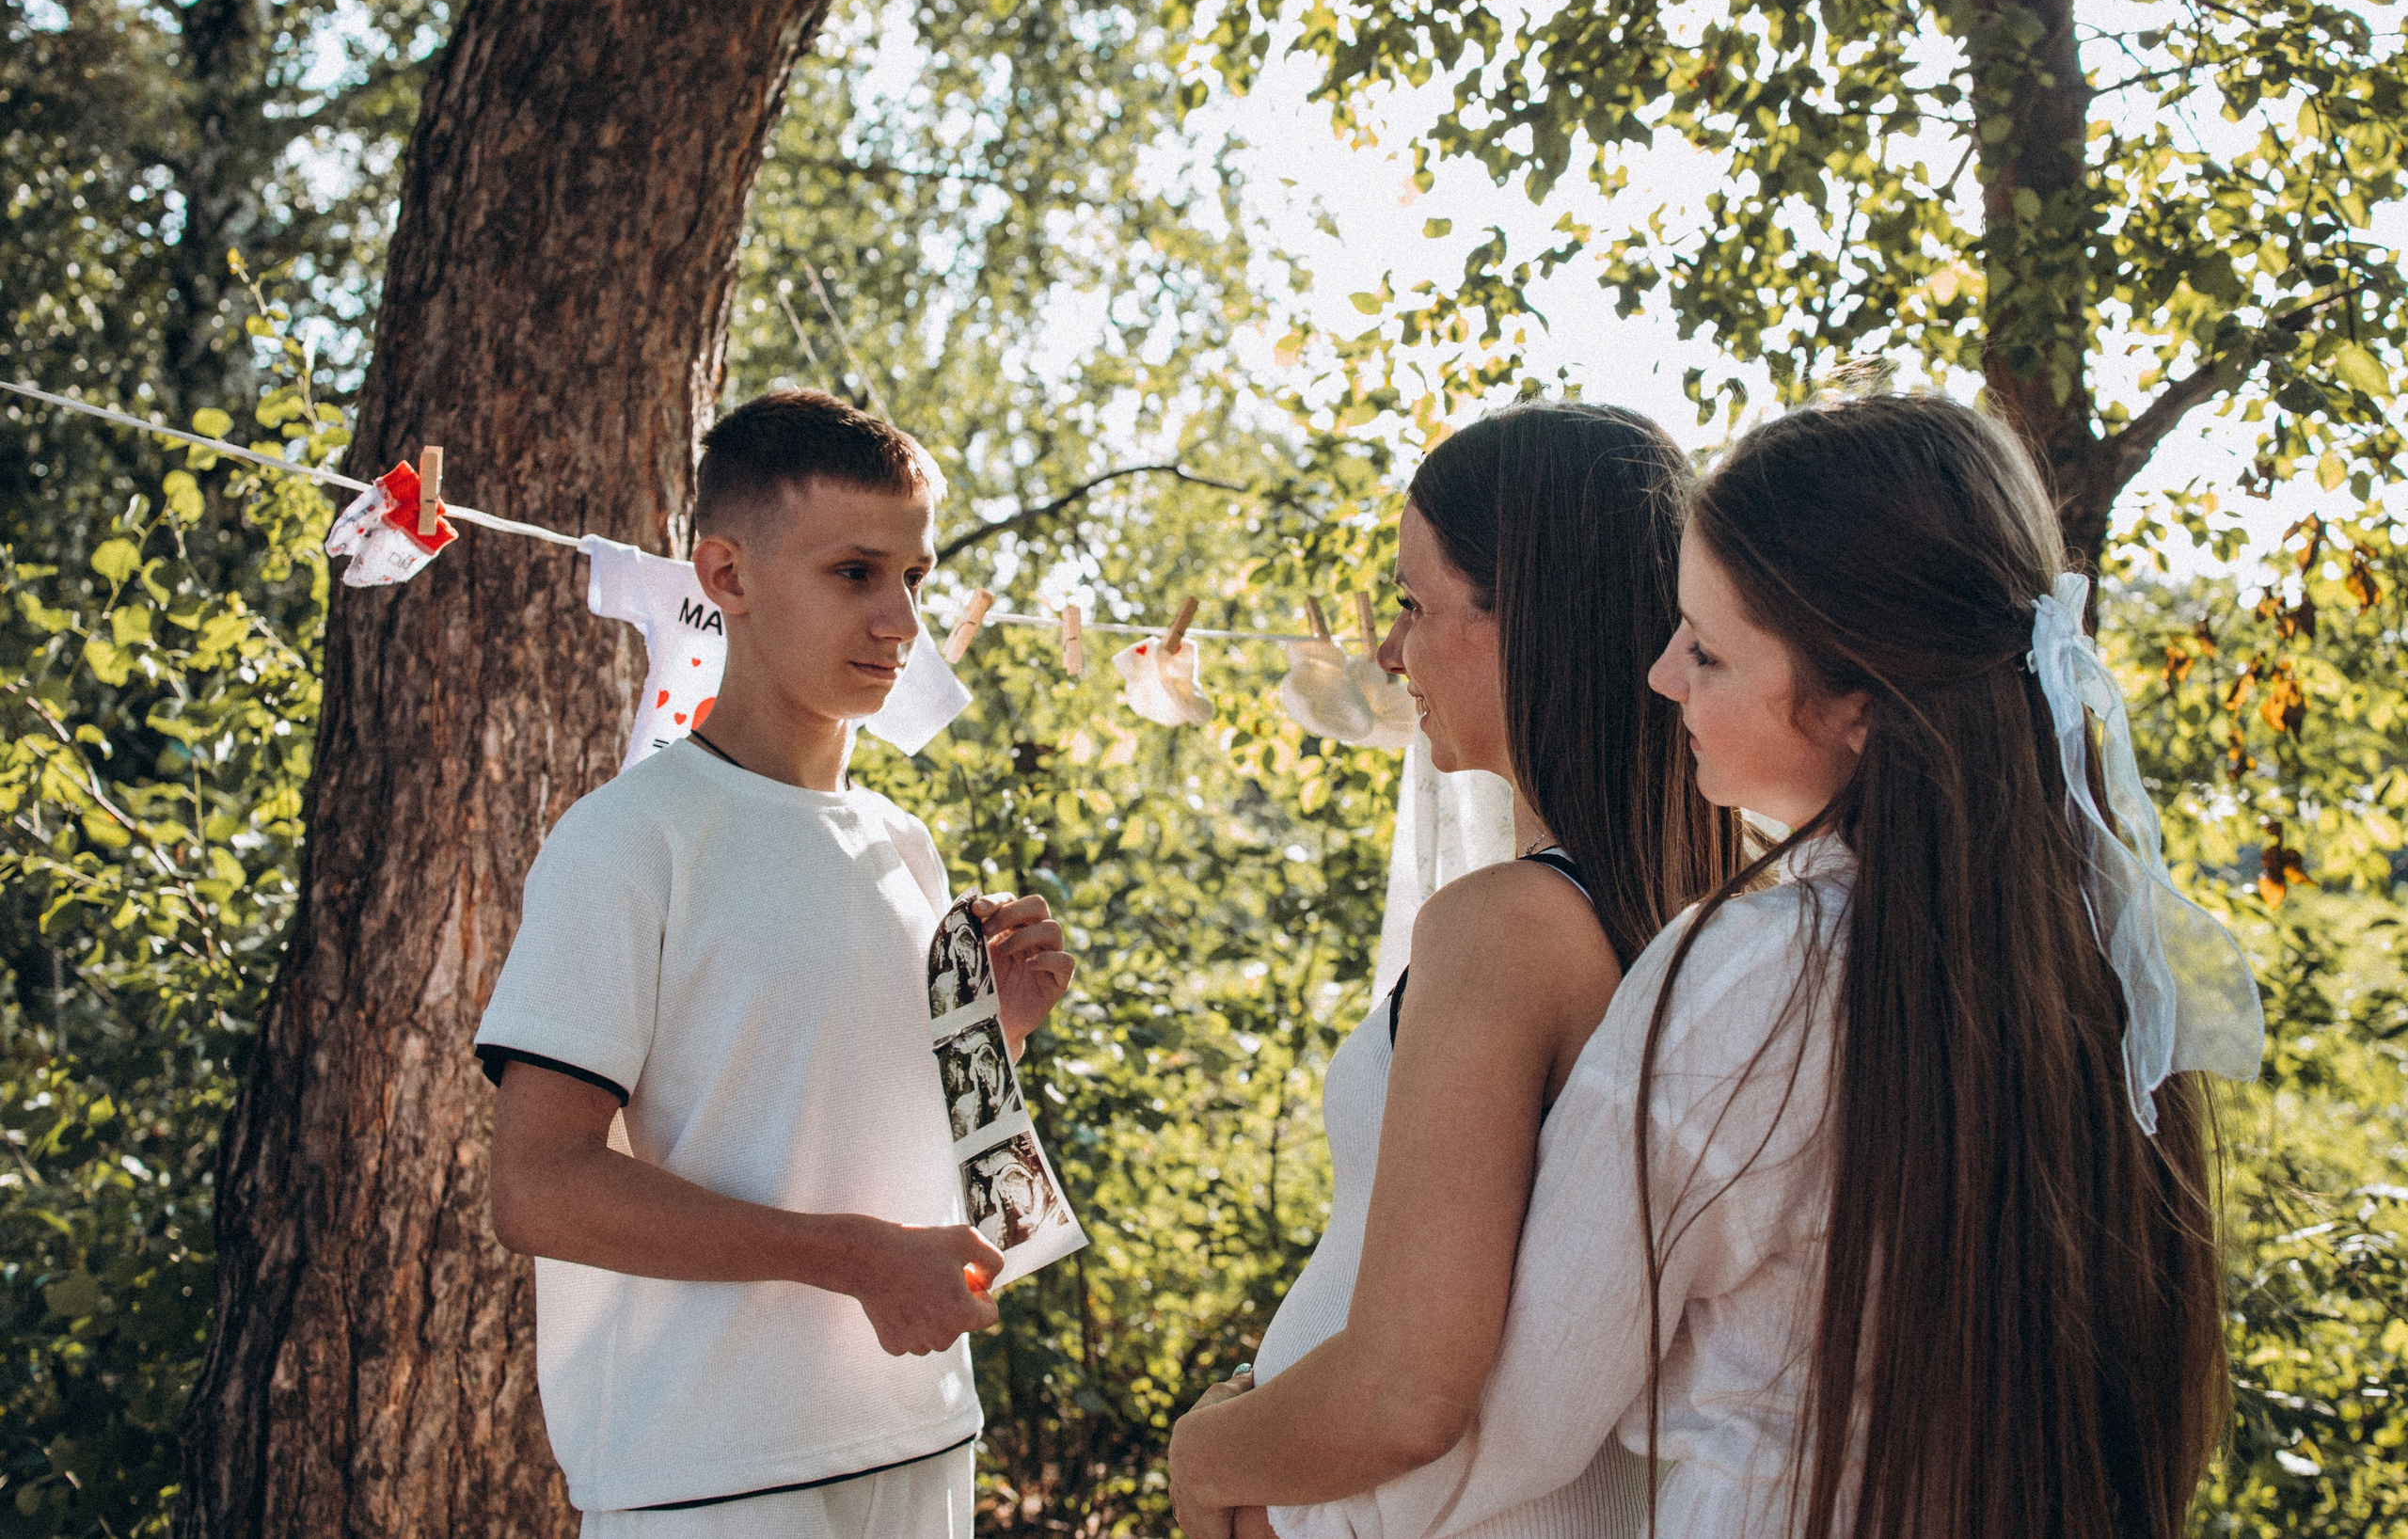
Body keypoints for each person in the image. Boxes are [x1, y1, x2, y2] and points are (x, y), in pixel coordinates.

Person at [1259, 391, 2259, 1539]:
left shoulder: (1755, 980)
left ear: (1856, 706)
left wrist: (1264, 1494)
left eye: (1708, 650)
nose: (1661, 677)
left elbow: (1501, 1414)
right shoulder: (2078, 964)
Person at [474, 389, 1075, 1534]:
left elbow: (830, 1115)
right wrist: (851, 1260)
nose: (900, 621)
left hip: (926, 1439)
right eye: (855, 573)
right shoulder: (626, 841)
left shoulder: (905, 843)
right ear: (726, 575)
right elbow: (538, 1187)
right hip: (707, 1477)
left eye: (915, 577)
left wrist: (988, 1036)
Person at [1168, 402, 1749, 1537]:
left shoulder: (1506, 929)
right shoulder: (1706, 919)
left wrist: (1206, 1459)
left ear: (1527, 621)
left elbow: (1405, 1393)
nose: (1389, 653)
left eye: (1412, 604)